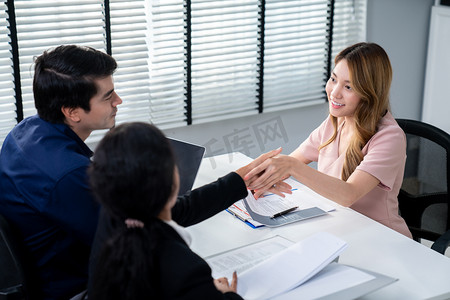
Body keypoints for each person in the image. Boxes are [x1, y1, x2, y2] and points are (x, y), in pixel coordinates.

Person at [0, 45, 289, 299]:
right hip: (75, 288)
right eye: (108, 96)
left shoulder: (25, 132)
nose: (119, 101)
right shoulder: (68, 177)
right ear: (73, 112)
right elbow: (155, 220)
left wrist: (241, 180)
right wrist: (240, 181)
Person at [245, 42, 412, 238]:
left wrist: (291, 167)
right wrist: (257, 181)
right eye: (333, 79)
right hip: (340, 229)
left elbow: (348, 194)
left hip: (381, 238)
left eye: (348, 86)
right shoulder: (335, 123)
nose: (334, 92)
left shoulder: (390, 137)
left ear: (369, 94)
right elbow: (290, 163)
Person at [88, 122, 244, 299]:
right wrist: (226, 294)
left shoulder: (110, 219)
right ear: (172, 185)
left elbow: (182, 209)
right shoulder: (186, 270)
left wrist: (239, 180)